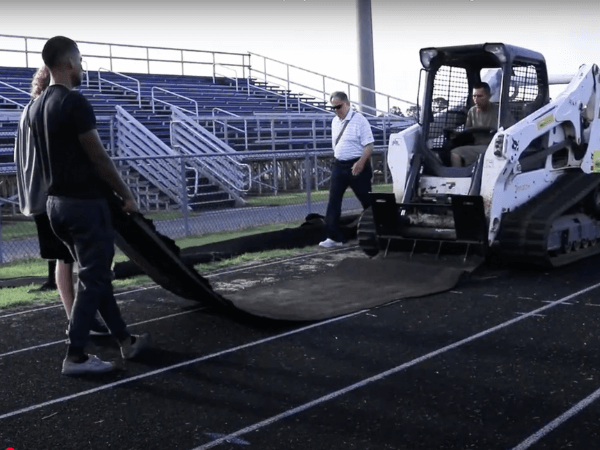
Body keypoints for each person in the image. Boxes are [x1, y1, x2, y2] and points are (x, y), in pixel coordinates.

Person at [27, 36, 149, 375]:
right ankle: (76, 355)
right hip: (84, 205)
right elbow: (98, 155)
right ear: (68, 62)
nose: (82, 67)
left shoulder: (35, 106)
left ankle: (125, 340)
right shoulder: (74, 102)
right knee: (94, 279)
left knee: (96, 277)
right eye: (80, 60)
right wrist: (125, 193)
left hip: (55, 206)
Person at [17, 65, 110, 335]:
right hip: (57, 195)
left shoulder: (30, 111)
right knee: (75, 258)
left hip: (43, 196)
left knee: (66, 259)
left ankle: (77, 316)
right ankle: (80, 320)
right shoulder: (48, 111)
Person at [319, 92, 374, 248]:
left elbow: (369, 145)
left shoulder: (359, 120)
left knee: (367, 201)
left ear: (347, 103)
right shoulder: (334, 122)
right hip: (339, 164)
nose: (337, 110)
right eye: (334, 108)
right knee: (334, 201)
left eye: (339, 106)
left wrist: (361, 162)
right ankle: (334, 236)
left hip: (357, 165)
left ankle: (378, 230)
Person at [450, 82, 499, 167]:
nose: (476, 99)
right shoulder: (472, 111)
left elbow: (509, 128)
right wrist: (456, 134)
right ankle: (459, 177)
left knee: (455, 153)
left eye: (480, 96)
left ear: (489, 96)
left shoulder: (499, 111)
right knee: (453, 152)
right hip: (477, 146)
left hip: (495, 147)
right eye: (474, 96)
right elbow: (468, 132)